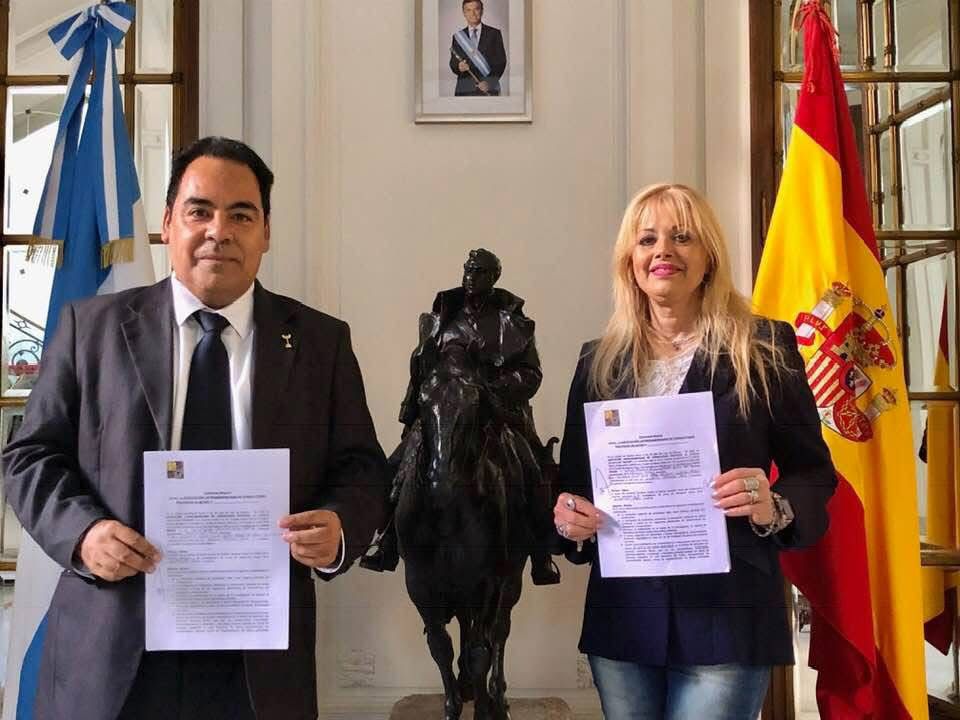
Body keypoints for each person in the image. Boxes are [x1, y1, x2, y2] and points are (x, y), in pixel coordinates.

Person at [2, 137, 389, 720]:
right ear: (168, 224)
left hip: (257, 660)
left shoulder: (319, 341)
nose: (219, 231)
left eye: (241, 215)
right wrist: (83, 534)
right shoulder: (92, 327)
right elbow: (29, 455)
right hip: (114, 646)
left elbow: (362, 468)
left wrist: (339, 529)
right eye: (199, 211)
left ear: (266, 232)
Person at [552, 184, 836, 720]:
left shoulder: (763, 348)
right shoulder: (598, 362)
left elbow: (813, 472)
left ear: (709, 256)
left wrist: (774, 506)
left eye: (682, 237)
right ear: (630, 262)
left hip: (728, 615)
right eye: (647, 240)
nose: (663, 251)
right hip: (625, 618)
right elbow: (573, 484)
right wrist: (569, 518)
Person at [361, 248, 560, 586]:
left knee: (533, 468)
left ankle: (541, 553)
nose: (470, 276)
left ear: (493, 277)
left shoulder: (512, 323)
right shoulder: (440, 318)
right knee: (399, 465)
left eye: (479, 271)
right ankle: (388, 540)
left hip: (495, 413)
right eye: (468, 269)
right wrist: (416, 405)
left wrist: (490, 386)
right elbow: (421, 370)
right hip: (443, 409)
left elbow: (531, 374)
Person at [449, 0, 507, 96]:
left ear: (482, 11)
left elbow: (501, 62)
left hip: (488, 90)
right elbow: (453, 63)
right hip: (464, 90)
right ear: (464, 13)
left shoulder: (494, 34)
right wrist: (459, 66)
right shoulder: (458, 37)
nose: (473, 13)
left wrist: (489, 82)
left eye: (476, 9)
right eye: (468, 10)